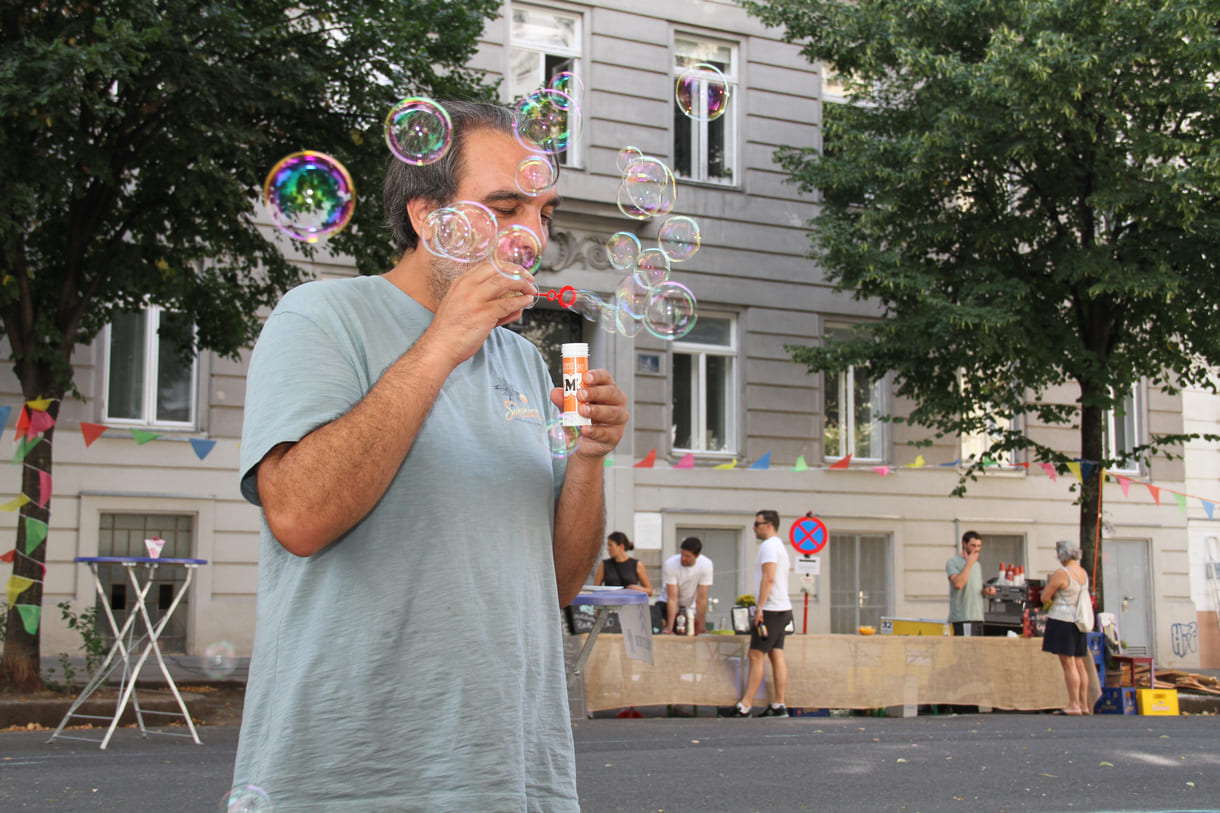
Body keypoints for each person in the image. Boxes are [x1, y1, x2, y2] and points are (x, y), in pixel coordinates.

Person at [231, 100, 628, 811]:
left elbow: (556, 585)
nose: (531, 236)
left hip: (511, 774)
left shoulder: (527, 366)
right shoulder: (319, 318)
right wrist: (441, 345)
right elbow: (298, 515)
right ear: (425, 216)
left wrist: (590, 460)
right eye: (505, 208)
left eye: (543, 213)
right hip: (347, 778)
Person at [723, 510, 793, 717]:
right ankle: (779, 704)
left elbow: (768, 578)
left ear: (769, 525)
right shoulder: (780, 546)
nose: (754, 527)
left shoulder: (769, 546)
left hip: (771, 608)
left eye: (757, 524)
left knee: (756, 654)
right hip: (782, 607)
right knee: (776, 653)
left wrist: (759, 608)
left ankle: (745, 705)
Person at [1040, 539, 1095, 715]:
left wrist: (1050, 595)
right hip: (1078, 620)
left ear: (1061, 555)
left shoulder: (1062, 573)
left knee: (1068, 663)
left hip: (1062, 619)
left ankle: (1073, 704)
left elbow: (1045, 597)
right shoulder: (1083, 573)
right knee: (1079, 663)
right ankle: (1084, 704)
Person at [657, 537, 713, 634]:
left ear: (697, 555)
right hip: (666, 603)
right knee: (662, 623)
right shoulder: (671, 564)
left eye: (687, 556)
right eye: (682, 554)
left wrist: (702, 626)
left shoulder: (706, 565)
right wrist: (669, 627)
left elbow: (701, 598)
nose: (683, 559)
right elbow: (672, 598)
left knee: (688, 630)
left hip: (688, 606)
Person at [946, 530, 996, 635]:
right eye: (973, 546)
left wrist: (986, 591)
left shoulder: (977, 565)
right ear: (964, 544)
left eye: (979, 546)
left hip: (977, 617)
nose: (976, 549)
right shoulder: (953, 562)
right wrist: (968, 564)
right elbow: (958, 584)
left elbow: (976, 590)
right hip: (963, 617)